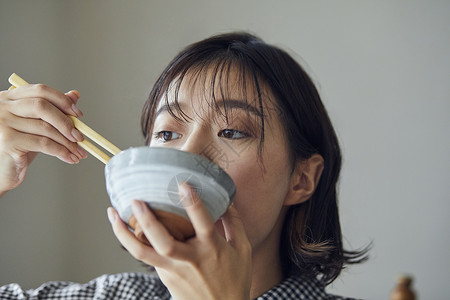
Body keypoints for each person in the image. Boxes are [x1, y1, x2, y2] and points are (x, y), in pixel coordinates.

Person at [0, 32, 368, 299]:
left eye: (232, 131)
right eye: (166, 134)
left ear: (301, 179)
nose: (186, 155)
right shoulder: (119, 295)